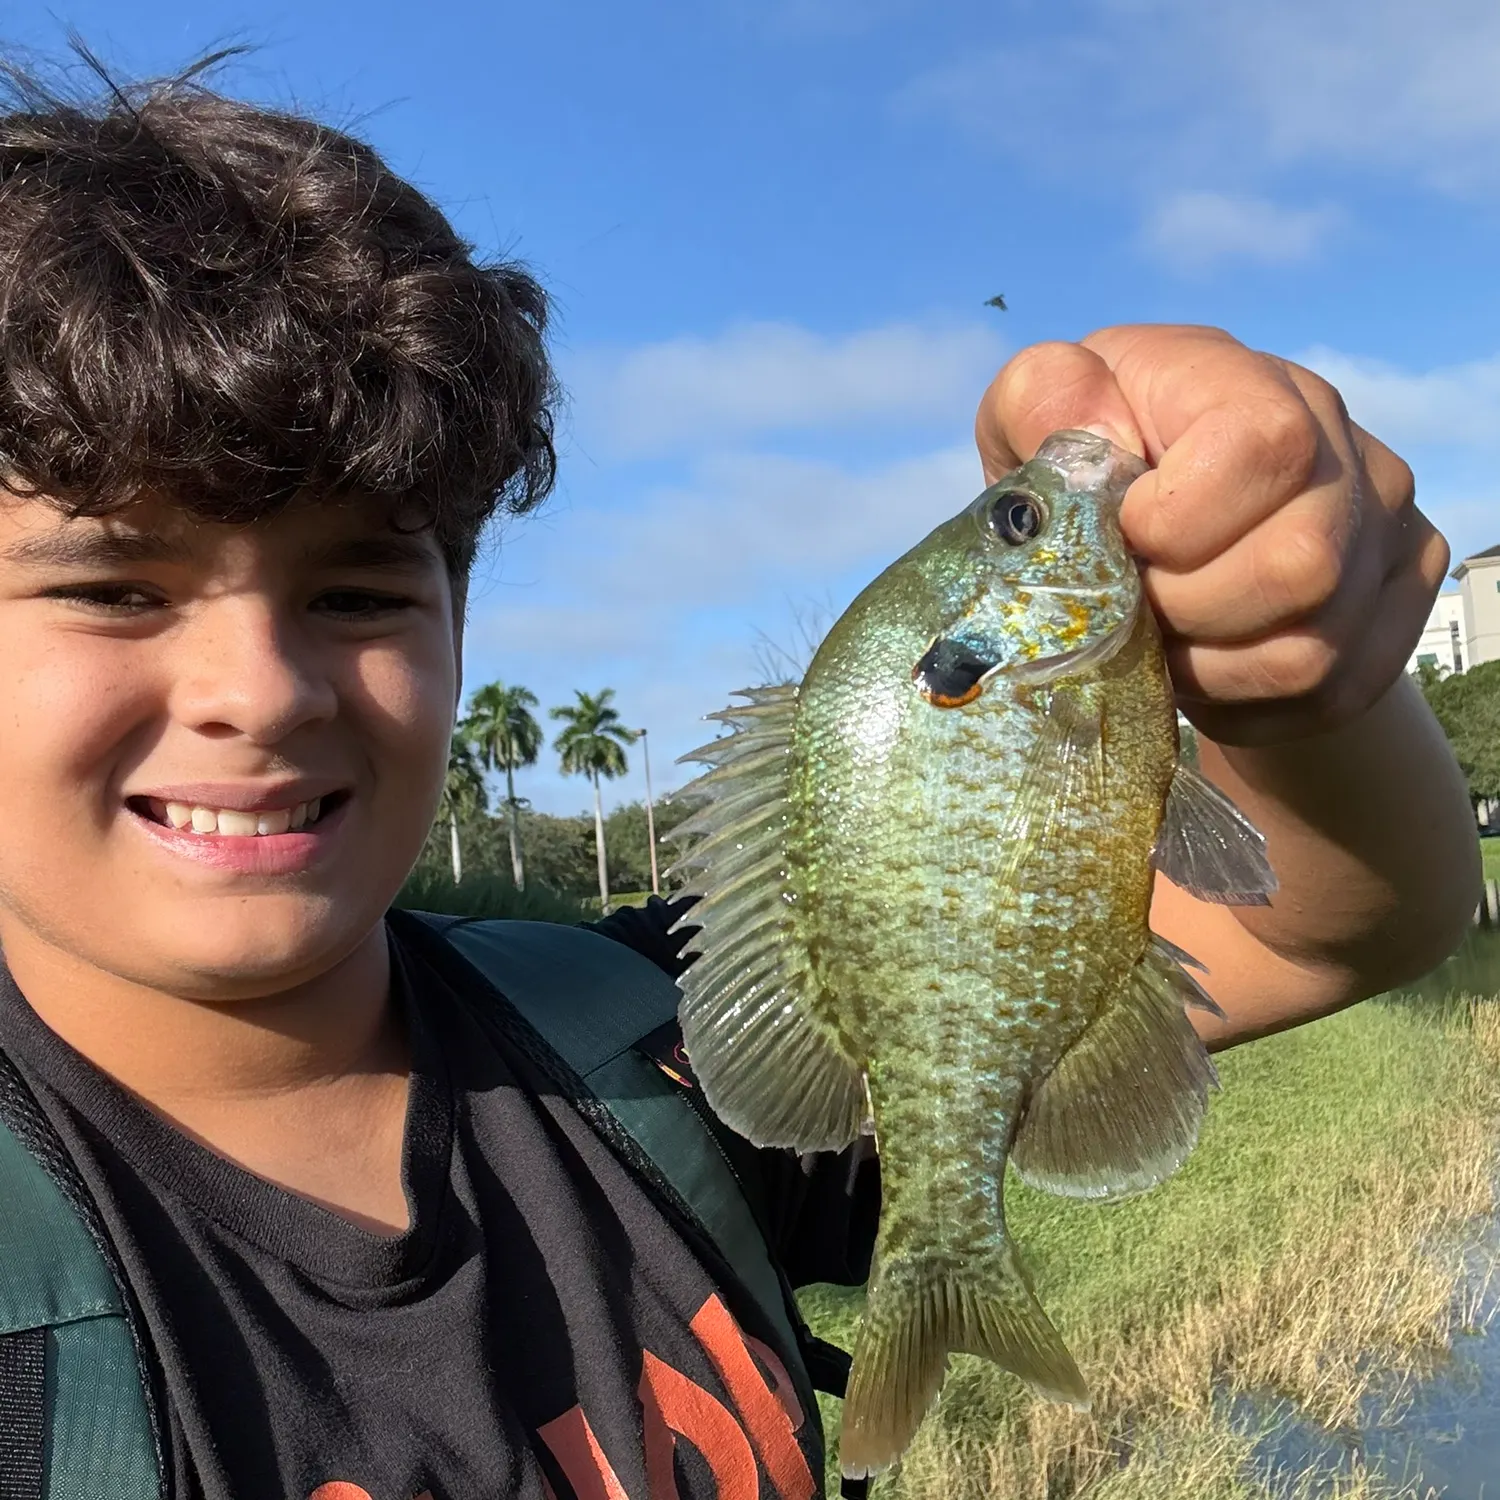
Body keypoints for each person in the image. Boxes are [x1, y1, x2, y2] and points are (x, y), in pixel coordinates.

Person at [0, 58, 1479, 1500]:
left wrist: (1305, 667)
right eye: (115, 589)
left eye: (359, 594)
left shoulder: (640, 1059)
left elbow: (1332, 923)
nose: (256, 692)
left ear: (456, 621)